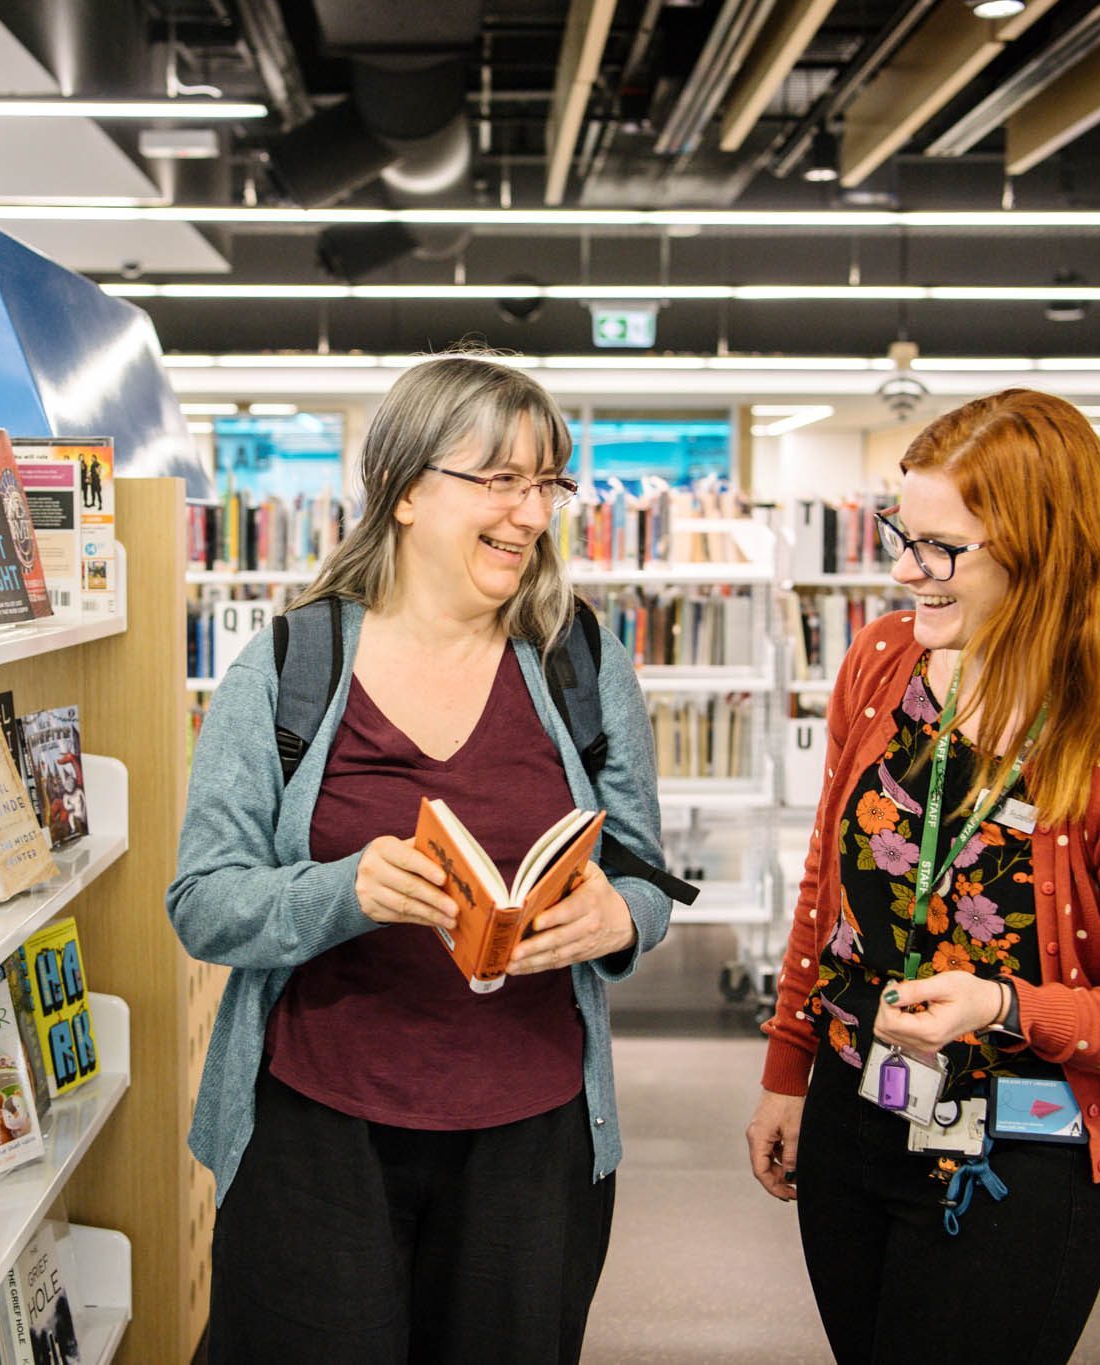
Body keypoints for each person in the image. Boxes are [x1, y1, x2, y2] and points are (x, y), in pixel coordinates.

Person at [168, 353, 677, 1363]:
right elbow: (203, 901)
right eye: (500, 480)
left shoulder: (578, 659)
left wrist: (620, 916)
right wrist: (343, 890)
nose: (530, 513)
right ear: (404, 491)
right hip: (319, 1135)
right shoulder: (289, 665)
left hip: (532, 1139)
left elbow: (645, 871)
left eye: (546, 483)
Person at [746, 389, 1100, 1363]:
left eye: (939, 548)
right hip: (854, 1110)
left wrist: (1003, 1005)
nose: (903, 570)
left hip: (1020, 1152)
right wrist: (787, 1070)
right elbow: (827, 886)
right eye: (902, 534)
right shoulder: (883, 663)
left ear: (1041, 555)